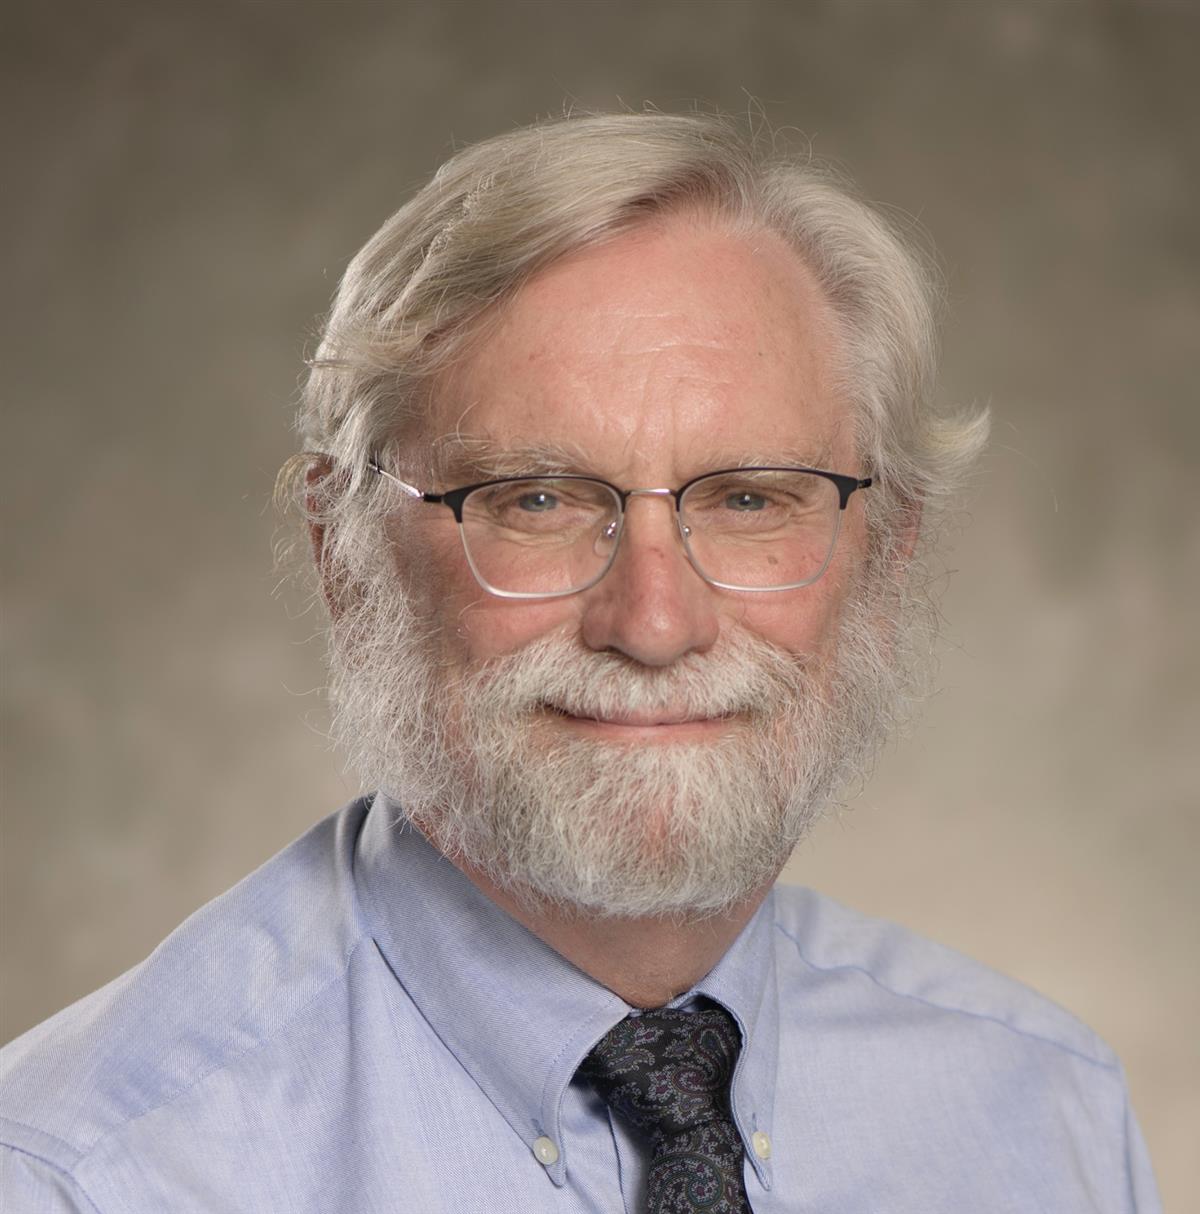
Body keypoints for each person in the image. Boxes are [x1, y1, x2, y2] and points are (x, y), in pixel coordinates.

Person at [0, 112, 1160, 1212]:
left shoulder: (1039, 1114)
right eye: (538, 499)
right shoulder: (88, 1173)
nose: (655, 620)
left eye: (752, 497)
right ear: (344, 558)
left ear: (886, 554)